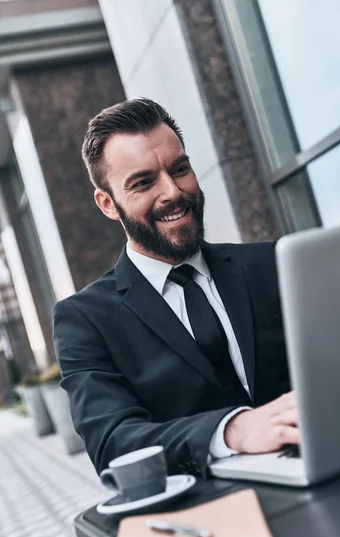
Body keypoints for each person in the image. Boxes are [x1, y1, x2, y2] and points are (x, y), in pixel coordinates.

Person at [53, 98, 299, 478]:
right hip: (204, 511)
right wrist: (232, 431)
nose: (172, 191)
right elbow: (112, 442)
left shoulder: (270, 262)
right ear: (108, 204)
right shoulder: (84, 319)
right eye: (143, 182)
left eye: (179, 169)